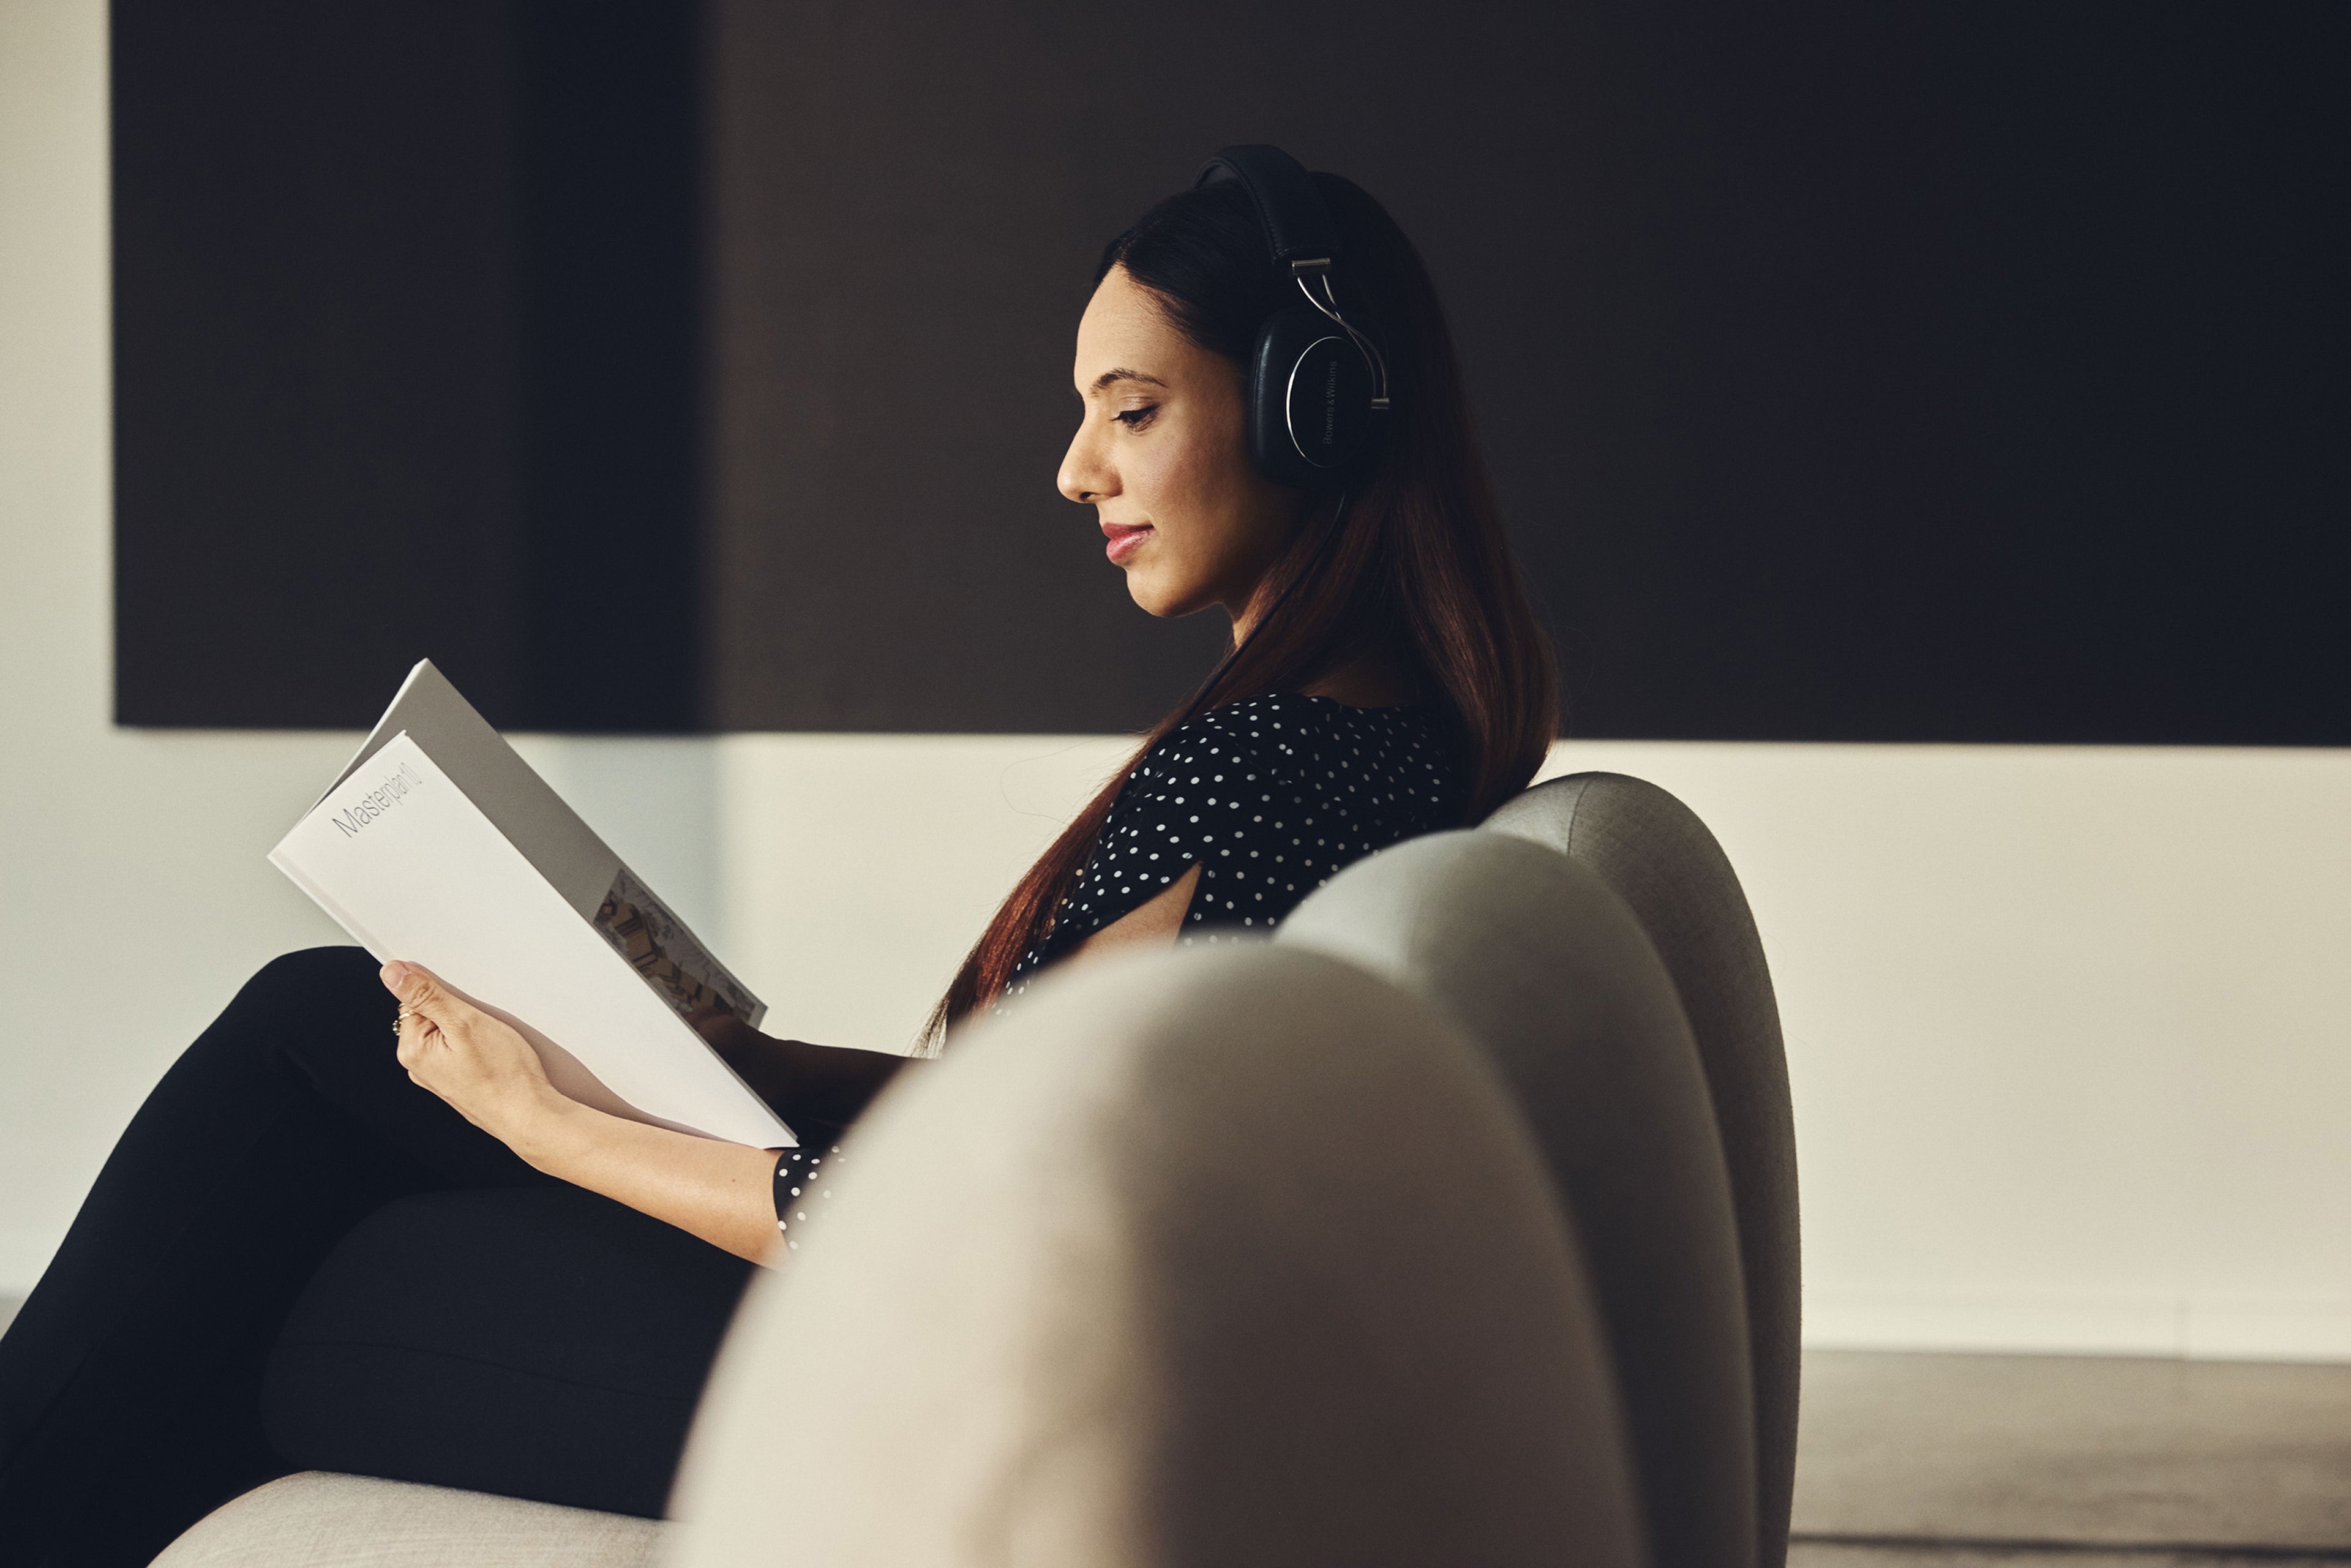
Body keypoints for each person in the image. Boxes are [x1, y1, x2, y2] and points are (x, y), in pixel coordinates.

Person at [0, 146, 1556, 1566]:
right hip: (961, 1339)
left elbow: (1013, 1225)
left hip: (933, 1390)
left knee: (269, 1267)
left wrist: (555, 1128)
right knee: (327, 1028)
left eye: (1131, 410)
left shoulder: (1265, 766)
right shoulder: (1382, 739)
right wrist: (773, 1063)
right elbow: (1049, 1117)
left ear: (1314, 410)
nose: (1078, 471)